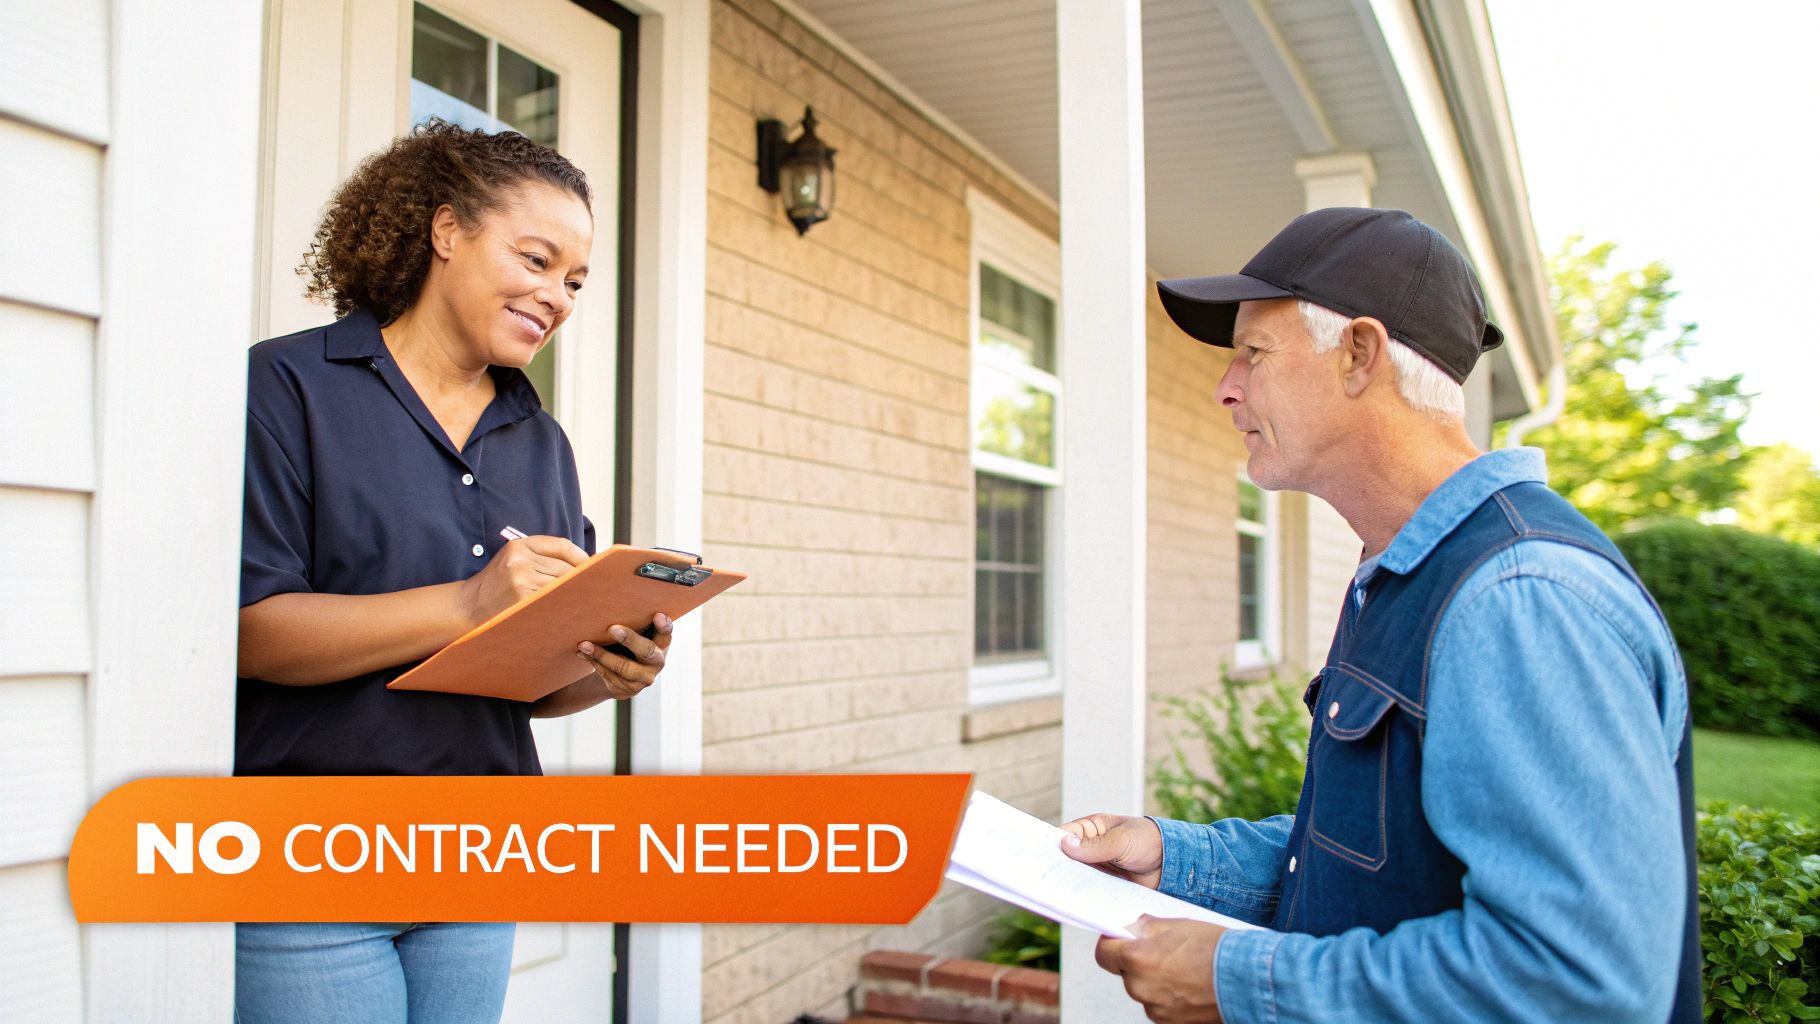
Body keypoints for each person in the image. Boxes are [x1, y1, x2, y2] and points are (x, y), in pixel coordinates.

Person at [1060, 207, 1699, 1023]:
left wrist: (1239, 978)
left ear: (1359, 353)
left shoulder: (1519, 598)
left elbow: (1575, 983)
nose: (1226, 387)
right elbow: (1387, 859)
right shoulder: (1403, 573)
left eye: (1253, 354)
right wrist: (1179, 860)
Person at [234, 120, 667, 1024]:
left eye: (576, 281)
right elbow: (249, 631)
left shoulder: (541, 442)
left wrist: (606, 669)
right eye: (538, 259)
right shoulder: (286, 389)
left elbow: (528, 683)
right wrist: (468, 602)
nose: (558, 296)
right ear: (445, 231)